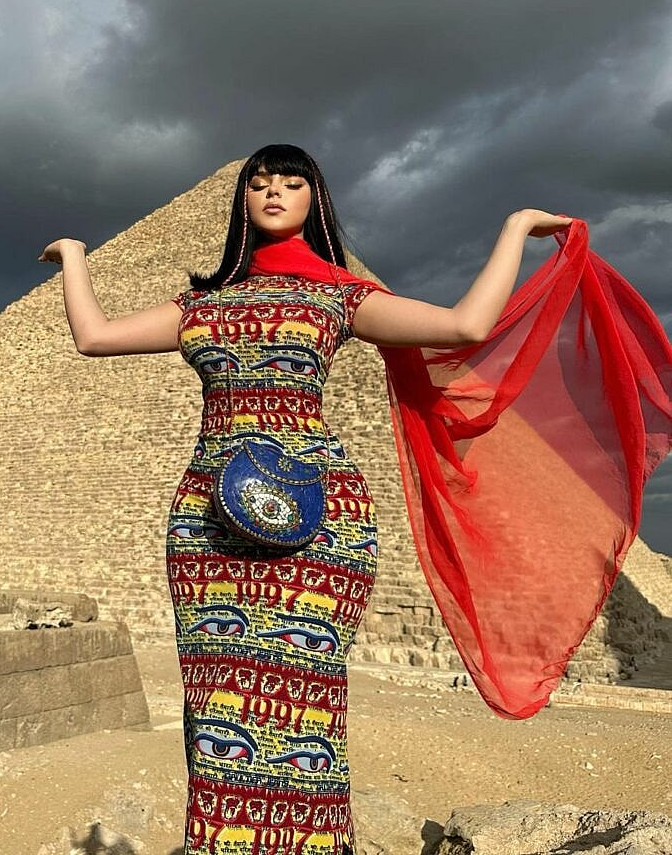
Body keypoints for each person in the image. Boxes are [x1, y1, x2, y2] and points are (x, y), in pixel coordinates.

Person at [38, 143, 669, 855]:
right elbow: (92, 338)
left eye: (291, 182)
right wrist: (75, 258)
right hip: (209, 524)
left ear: (316, 200)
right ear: (240, 202)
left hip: (320, 519)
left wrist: (516, 229)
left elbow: (464, 326)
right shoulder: (201, 308)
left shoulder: (341, 297)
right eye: (259, 183)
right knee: (217, 709)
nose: (273, 192)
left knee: (307, 704)